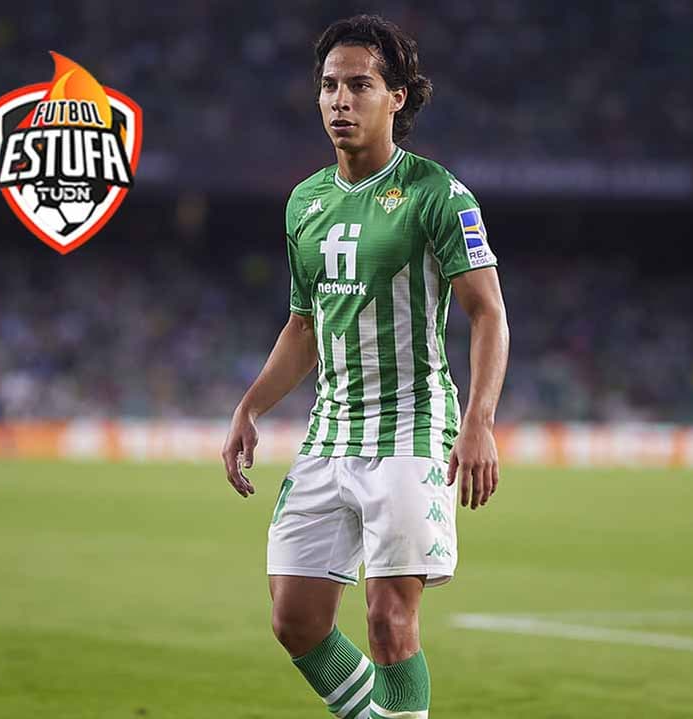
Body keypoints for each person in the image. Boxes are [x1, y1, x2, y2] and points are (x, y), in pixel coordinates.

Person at [220, 15, 509, 718]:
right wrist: (250, 406)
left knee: (388, 618)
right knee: (295, 618)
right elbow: (303, 326)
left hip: (411, 428)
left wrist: (478, 421)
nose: (339, 100)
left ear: (396, 97)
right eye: (328, 86)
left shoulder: (437, 194)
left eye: (359, 85)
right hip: (330, 431)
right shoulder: (306, 202)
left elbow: (489, 313)